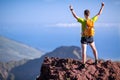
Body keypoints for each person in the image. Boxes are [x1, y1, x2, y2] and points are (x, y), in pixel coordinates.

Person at [69, 2, 104, 67]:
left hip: (84, 38)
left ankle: (83, 64)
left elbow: (75, 16)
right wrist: (102, 6)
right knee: (94, 49)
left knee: (84, 52)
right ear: (89, 14)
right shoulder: (92, 20)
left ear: (84, 14)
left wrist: (72, 10)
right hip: (91, 37)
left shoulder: (83, 21)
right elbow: (99, 14)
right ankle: (96, 61)